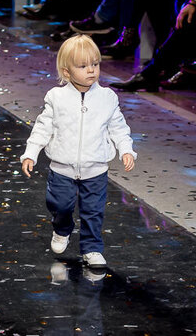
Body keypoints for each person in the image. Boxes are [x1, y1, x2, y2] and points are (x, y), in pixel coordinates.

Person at [20, 34, 136, 269]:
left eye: (95, 64)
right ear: (67, 72)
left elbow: (118, 128)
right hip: (62, 167)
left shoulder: (107, 98)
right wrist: (31, 153)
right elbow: (43, 127)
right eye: (83, 66)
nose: (91, 70)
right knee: (61, 205)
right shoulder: (57, 97)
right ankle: (62, 228)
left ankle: (92, 248)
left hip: (96, 168)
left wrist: (126, 150)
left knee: (93, 212)